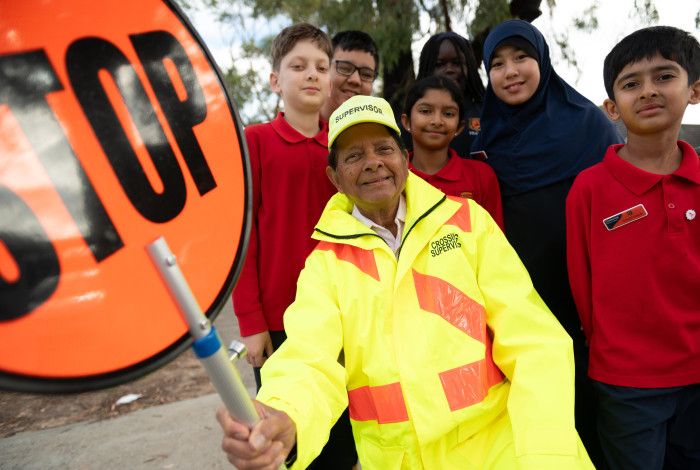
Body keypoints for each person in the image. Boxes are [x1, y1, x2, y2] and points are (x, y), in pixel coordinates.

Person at [217, 94, 594, 469]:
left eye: (384, 148)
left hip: (504, 452)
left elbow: (533, 342)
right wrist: (285, 416)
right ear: (334, 178)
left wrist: (547, 455)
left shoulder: (466, 223)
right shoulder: (325, 265)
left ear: (405, 158)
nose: (373, 163)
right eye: (353, 156)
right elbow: (307, 359)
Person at [470, 20, 622, 466]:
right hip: (517, 299)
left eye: (521, 58)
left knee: (594, 406)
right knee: (537, 405)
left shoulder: (588, 124)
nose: (510, 71)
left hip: (585, 292)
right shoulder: (482, 141)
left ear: (543, 62)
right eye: (497, 64)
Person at [566, 26, 700, 470]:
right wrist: (611, 353)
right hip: (626, 385)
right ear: (612, 108)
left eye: (664, 76)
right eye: (631, 84)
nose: (648, 91)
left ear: (694, 90)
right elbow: (582, 286)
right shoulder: (589, 189)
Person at [231, 22, 356, 469]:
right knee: (293, 438)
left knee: (345, 437)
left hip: (345, 315)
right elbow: (242, 237)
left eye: (321, 67)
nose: (311, 75)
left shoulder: (344, 146)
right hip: (281, 322)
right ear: (274, 80)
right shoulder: (255, 142)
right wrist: (251, 320)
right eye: (298, 66)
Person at [401, 75, 503, 227]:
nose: (436, 121)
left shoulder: (481, 176)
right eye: (425, 111)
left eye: (448, 114)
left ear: (459, 127)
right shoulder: (394, 176)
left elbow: (496, 242)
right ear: (407, 121)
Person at [403, 31, 485, 157]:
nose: (449, 69)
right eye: (439, 64)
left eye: (456, 63)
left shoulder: (487, 115)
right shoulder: (411, 122)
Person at [320, 30, 379, 122]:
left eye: (366, 74)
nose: (355, 80)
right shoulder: (294, 126)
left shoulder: (379, 134)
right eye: (345, 68)